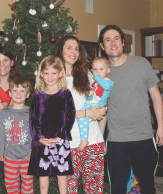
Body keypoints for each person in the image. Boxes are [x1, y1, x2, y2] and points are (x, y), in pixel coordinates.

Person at [98, 25, 163, 194]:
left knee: (148, 186)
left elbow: (156, 96)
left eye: (116, 38)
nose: (112, 43)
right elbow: (102, 108)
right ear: (102, 46)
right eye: (107, 39)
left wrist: (161, 127)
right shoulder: (101, 74)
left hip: (143, 137)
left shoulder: (142, 64)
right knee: (118, 188)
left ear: (123, 42)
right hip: (116, 141)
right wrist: (100, 138)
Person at [54, 35, 106, 194]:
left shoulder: (87, 75)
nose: (73, 51)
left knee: (94, 188)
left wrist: (101, 138)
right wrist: (86, 113)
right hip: (67, 144)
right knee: (69, 189)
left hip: (93, 140)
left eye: (76, 48)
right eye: (69, 47)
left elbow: (101, 107)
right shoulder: (53, 78)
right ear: (60, 51)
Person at [27, 56, 75, 194]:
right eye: (46, 73)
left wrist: (61, 136)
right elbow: (33, 119)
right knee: (43, 180)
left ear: (60, 74)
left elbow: (70, 116)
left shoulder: (65, 94)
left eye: (54, 73)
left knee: (62, 178)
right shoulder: (38, 96)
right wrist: (39, 138)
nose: (50, 77)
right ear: (41, 74)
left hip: (60, 141)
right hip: (43, 142)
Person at [0, 77, 33, 194]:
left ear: (27, 95)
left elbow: (34, 134)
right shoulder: (5, 112)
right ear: (10, 93)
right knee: (11, 185)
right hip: (9, 157)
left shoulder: (31, 112)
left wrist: (30, 152)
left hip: (26, 157)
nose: (19, 93)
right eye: (15, 90)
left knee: (27, 186)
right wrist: (0, 151)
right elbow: (1, 133)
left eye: (22, 91)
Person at [77, 57, 114, 151]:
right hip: (91, 103)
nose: (98, 72)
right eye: (95, 69)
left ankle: (84, 140)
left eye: (101, 69)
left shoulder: (108, 81)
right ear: (91, 70)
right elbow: (92, 94)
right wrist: (89, 95)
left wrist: (96, 77)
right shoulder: (94, 83)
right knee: (81, 119)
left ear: (108, 70)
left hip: (97, 105)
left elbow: (106, 86)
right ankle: (84, 139)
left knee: (82, 120)